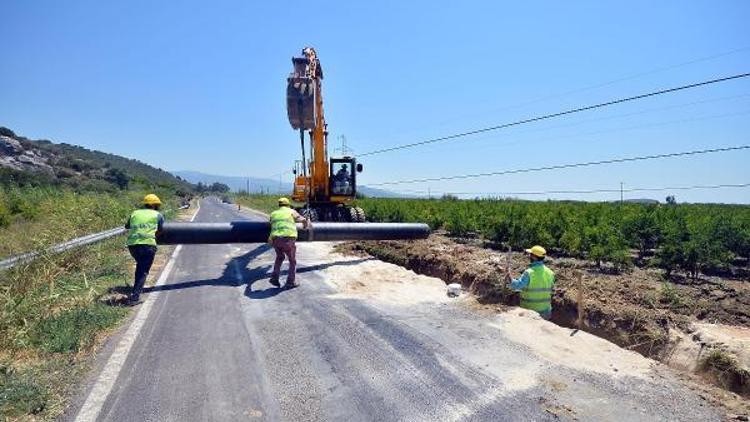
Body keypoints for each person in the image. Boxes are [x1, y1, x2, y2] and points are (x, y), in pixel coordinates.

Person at [125, 194, 164, 305]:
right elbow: (161, 230)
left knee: (140, 267)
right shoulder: (158, 215)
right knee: (142, 271)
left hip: (132, 246)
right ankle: (134, 298)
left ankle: (136, 290)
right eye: (157, 205)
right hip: (147, 246)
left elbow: (127, 226)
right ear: (155, 205)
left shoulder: (135, 213)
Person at [269, 197, 310, 288]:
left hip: (275, 239)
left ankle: (274, 278)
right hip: (288, 239)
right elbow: (302, 219)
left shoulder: (273, 213)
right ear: (288, 205)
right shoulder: (291, 211)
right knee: (292, 261)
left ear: (279, 205)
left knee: (280, 257)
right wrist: (305, 225)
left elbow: (272, 225)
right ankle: (291, 281)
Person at [507, 245, 555, 319]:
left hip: (530, 312)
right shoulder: (550, 273)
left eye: (530, 254)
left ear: (534, 257)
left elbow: (518, 286)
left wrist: (510, 279)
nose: (529, 256)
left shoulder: (529, 273)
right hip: (546, 312)